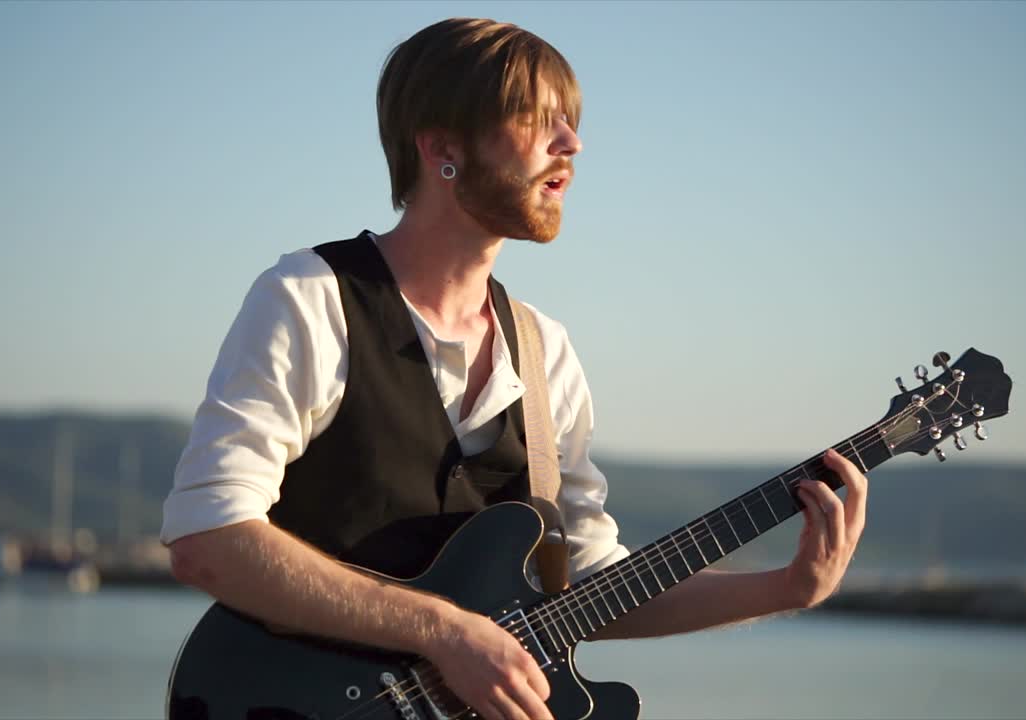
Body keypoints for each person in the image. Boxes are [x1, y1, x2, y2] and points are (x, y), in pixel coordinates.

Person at [162, 17, 868, 720]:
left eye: (573, 122)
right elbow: (208, 538)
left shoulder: (544, 351)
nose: (573, 144)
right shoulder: (311, 300)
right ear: (442, 148)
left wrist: (784, 589)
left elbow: (584, 583)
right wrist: (443, 633)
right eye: (538, 121)